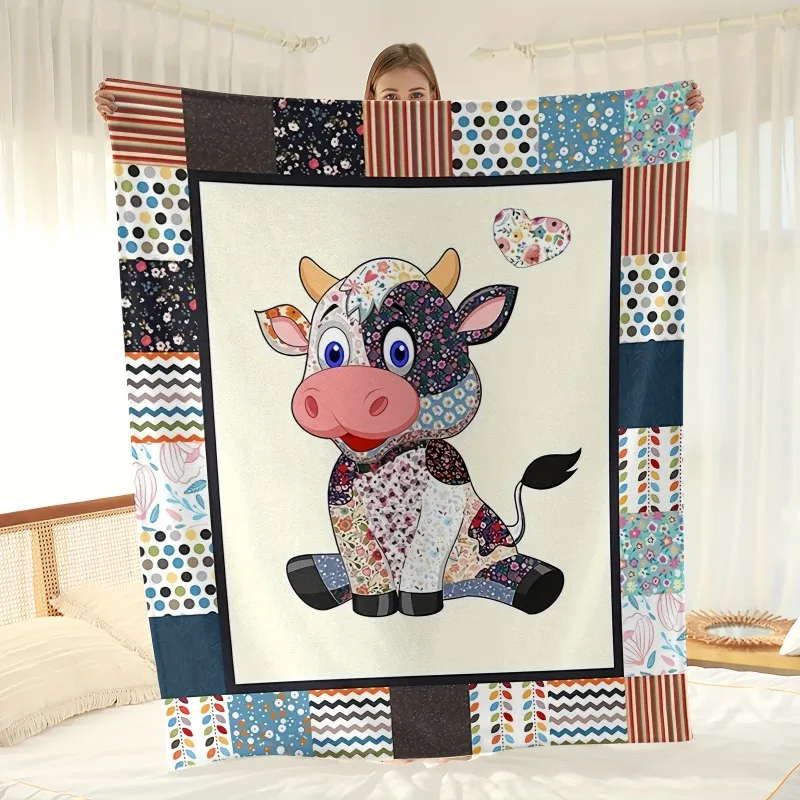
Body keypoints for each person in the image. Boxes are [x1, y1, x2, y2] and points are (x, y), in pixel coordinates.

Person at [94, 43, 705, 117]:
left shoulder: (472, 141)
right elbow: (232, 131)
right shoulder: (339, 139)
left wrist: (666, 114)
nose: (405, 105)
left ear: (437, 97)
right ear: (371, 99)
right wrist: (136, 113)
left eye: (417, 95)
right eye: (391, 96)